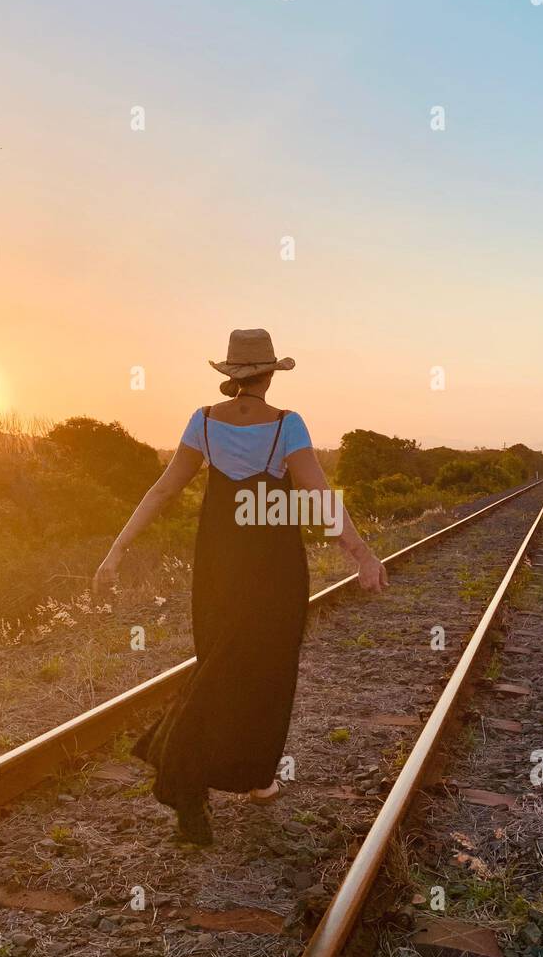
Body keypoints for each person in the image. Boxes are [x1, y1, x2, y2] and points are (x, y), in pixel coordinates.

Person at [94, 329, 387, 845]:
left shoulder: (203, 421)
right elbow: (319, 495)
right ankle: (243, 776)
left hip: (218, 564)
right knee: (267, 672)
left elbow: (162, 490)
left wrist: (116, 551)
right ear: (270, 374)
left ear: (231, 375)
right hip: (273, 566)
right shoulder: (286, 425)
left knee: (217, 666)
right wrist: (361, 553)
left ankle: (204, 778)